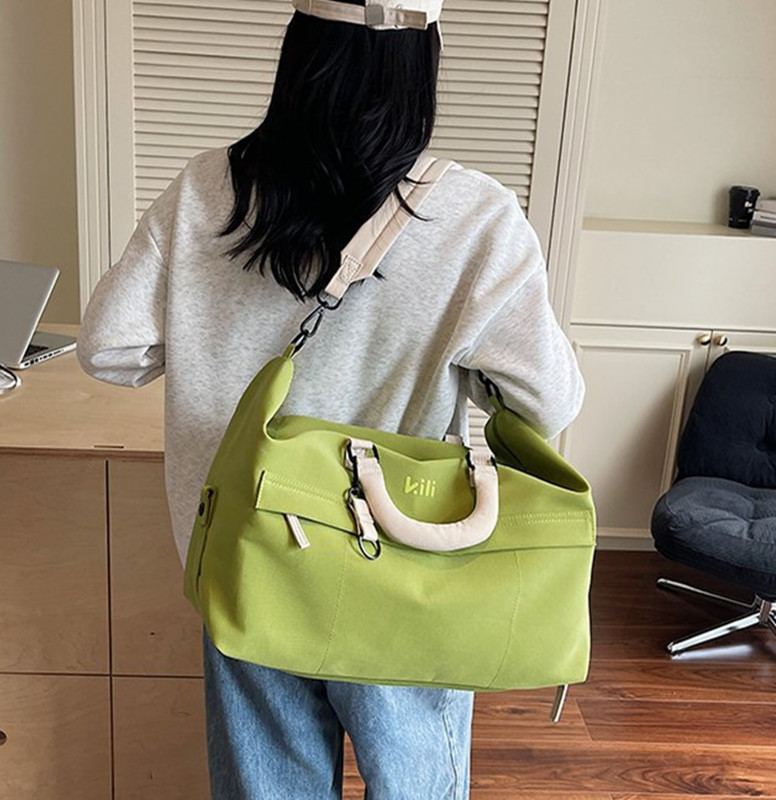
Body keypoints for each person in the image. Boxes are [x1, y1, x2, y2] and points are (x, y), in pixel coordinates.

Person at [78, 0, 586, 797]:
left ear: (301, 56)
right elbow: (549, 402)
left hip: (252, 555)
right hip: (406, 559)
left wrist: (216, 334)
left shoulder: (209, 189)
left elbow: (111, 349)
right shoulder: (475, 217)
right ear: (422, 68)